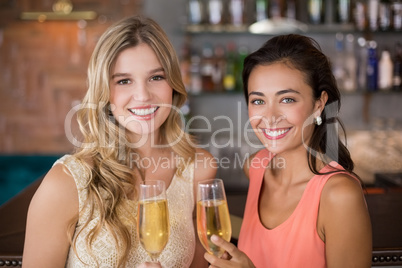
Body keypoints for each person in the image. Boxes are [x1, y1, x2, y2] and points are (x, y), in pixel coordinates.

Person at [22, 15, 216, 268]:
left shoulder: (198, 168)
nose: (143, 95)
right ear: (104, 91)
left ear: (173, 84)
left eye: (156, 77)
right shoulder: (67, 181)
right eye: (124, 81)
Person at [204, 34, 372, 268]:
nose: (270, 118)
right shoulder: (255, 167)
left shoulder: (339, 195)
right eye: (259, 101)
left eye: (287, 99)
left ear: (319, 104)